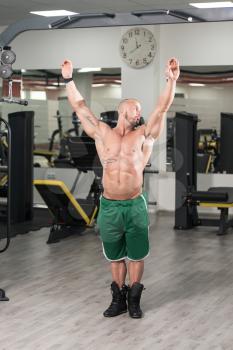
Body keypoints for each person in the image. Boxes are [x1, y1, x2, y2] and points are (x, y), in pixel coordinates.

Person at [61, 58, 180, 318]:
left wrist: (172, 80)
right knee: (115, 256)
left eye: (139, 109)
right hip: (110, 205)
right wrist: (69, 80)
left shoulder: (144, 136)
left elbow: (162, 108)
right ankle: (119, 299)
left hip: (135, 204)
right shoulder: (103, 133)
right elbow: (80, 107)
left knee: (136, 255)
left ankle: (135, 300)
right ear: (123, 111)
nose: (140, 112)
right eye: (136, 109)